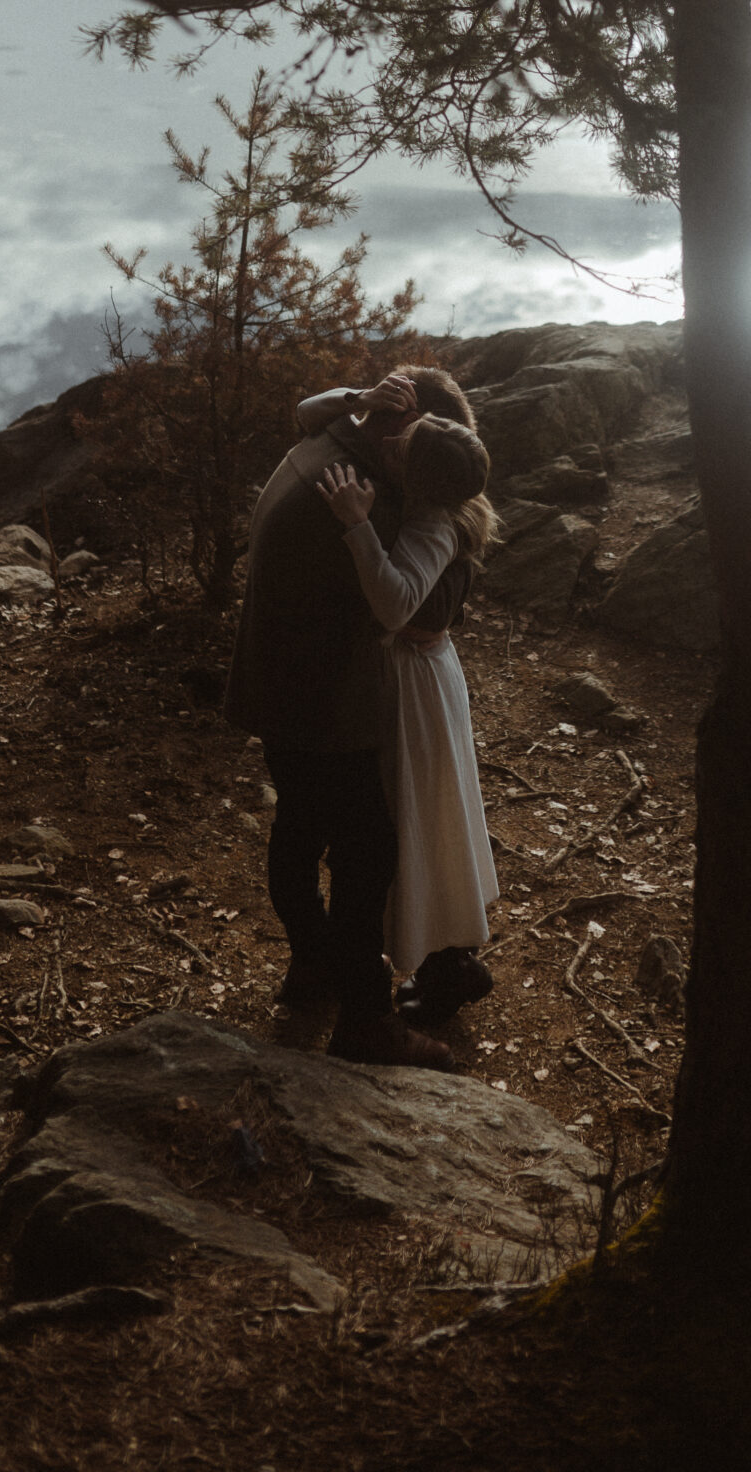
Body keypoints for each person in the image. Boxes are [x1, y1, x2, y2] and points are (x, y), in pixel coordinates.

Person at [221, 366, 470, 1069]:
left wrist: (359, 400)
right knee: (366, 856)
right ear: (400, 435)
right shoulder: (361, 500)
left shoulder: (329, 444)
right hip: (323, 701)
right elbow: (409, 609)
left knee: (298, 832)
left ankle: (312, 965)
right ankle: (365, 1019)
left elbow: (306, 409)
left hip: (272, 680)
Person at [315, 417, 500, 1029]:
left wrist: (357, 525)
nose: (390, 441)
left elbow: (394, 605)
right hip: (428, 677)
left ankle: (449, 970)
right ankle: (451, 963)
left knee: (424, 814)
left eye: (405, 443)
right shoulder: (443, 511)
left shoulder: (428, 524)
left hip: (416, 688)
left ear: (421, 478)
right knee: (435, 810)